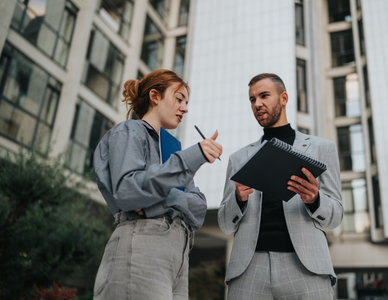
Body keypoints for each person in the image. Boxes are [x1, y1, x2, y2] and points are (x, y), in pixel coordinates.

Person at [92, 69, 222, 300]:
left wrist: (157, 198)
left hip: (178, 257)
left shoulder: (173, 152)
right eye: (179, 99)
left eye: (186, 102)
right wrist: (192, 158)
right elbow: (128, 192)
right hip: (142, 244)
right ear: (155, 96)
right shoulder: (129, 132)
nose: (185, 108)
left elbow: (199, 208)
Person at [218, 73, 343, 299]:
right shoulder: (239, 159)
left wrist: (315, 200)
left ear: (283, 98)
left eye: (264, 96)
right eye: (252, 99)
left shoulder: (322, 149)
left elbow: (336, 217)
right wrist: (238, 200)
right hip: (248, 269)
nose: (257, 104)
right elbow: (225, 224)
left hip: (308, 268)